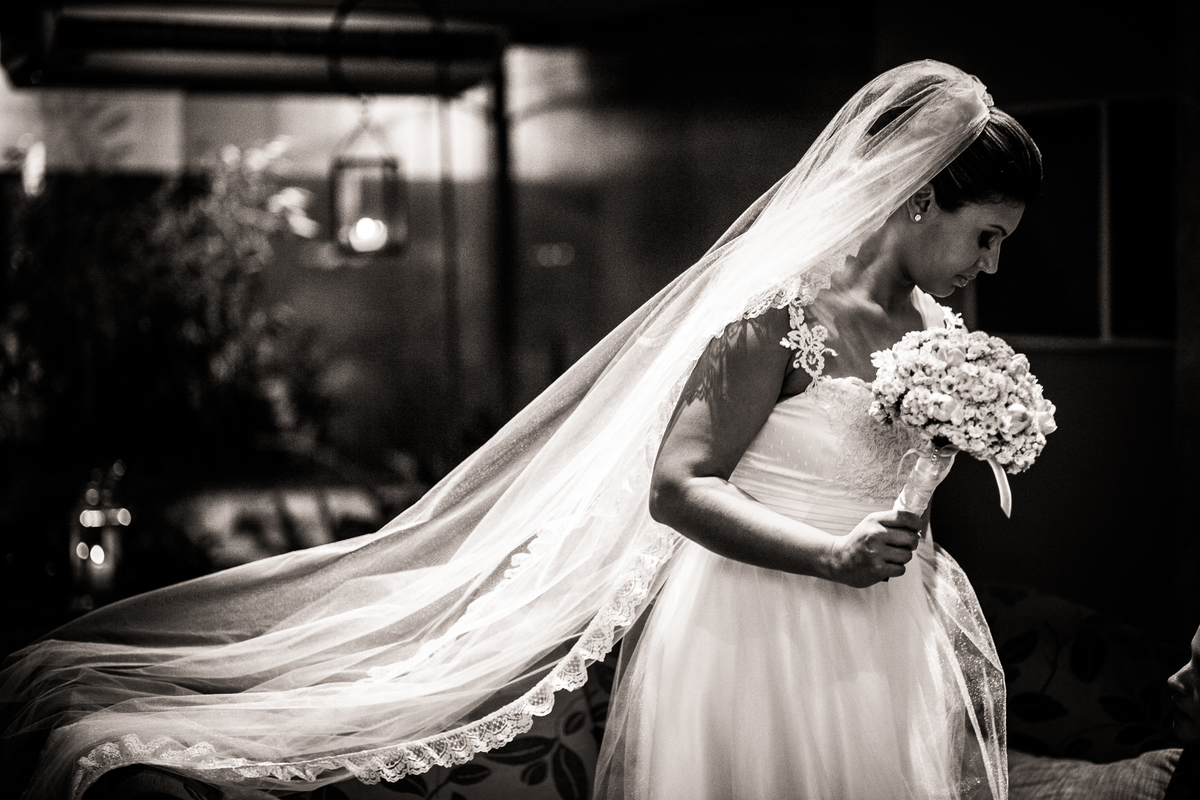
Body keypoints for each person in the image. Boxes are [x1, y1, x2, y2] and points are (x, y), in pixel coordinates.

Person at [0, 60, 1039, 800]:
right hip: (758, 627)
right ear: (916, 198)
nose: (988, 267)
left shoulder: (939, 339)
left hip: (881, 634)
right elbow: (678, 486)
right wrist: (829, 553)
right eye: (985, 236)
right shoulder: (777, 317)